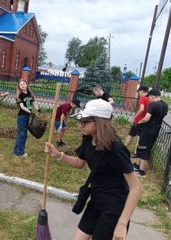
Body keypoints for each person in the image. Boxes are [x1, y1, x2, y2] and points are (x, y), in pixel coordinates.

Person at [44, 99, 141, 240]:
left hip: (114, 207)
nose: (81, 125)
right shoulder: (88, 140)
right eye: (81, 121)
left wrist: (122, 223)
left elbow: (136, 188)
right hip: (96, 200)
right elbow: (79, 162)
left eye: (86, 121)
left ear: (100, 122)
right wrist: (58, 155)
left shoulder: (116, 148)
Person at [134, 89, 168, 176]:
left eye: (149, 97)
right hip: (156, 129)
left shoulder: (153, 104)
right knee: (144, 147)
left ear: (152, 96)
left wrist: (139, 122)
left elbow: (146, 118)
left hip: (148, 129)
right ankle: (137, 165)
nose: (149, 99)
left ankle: (141, 171)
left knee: (144, 148)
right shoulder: (165, 105)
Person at [13, 79, 40, 157]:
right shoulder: (20, 96)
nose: (22, 85)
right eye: (21, 85)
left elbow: (34, 103)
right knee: (22, 134)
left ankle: (16, 151)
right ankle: (20, 152)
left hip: (27, 116)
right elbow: (22, 107)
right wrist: (30, 112)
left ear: (27, 84)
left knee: (22, 134)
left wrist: (38, 110)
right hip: (22, 117)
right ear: (19, 87)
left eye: (24, 84)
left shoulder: (29, 94)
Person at [124, 86, 150, 158]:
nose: (138, 93)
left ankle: (123, 149)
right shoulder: (149, 99)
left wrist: (134, 117)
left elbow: (141, 109)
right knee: (139, 138)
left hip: (138, 120)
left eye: (138, 91)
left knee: (130, 135)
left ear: (142, 91)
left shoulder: (142, 98)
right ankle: (136, 153)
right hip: (144, 121)